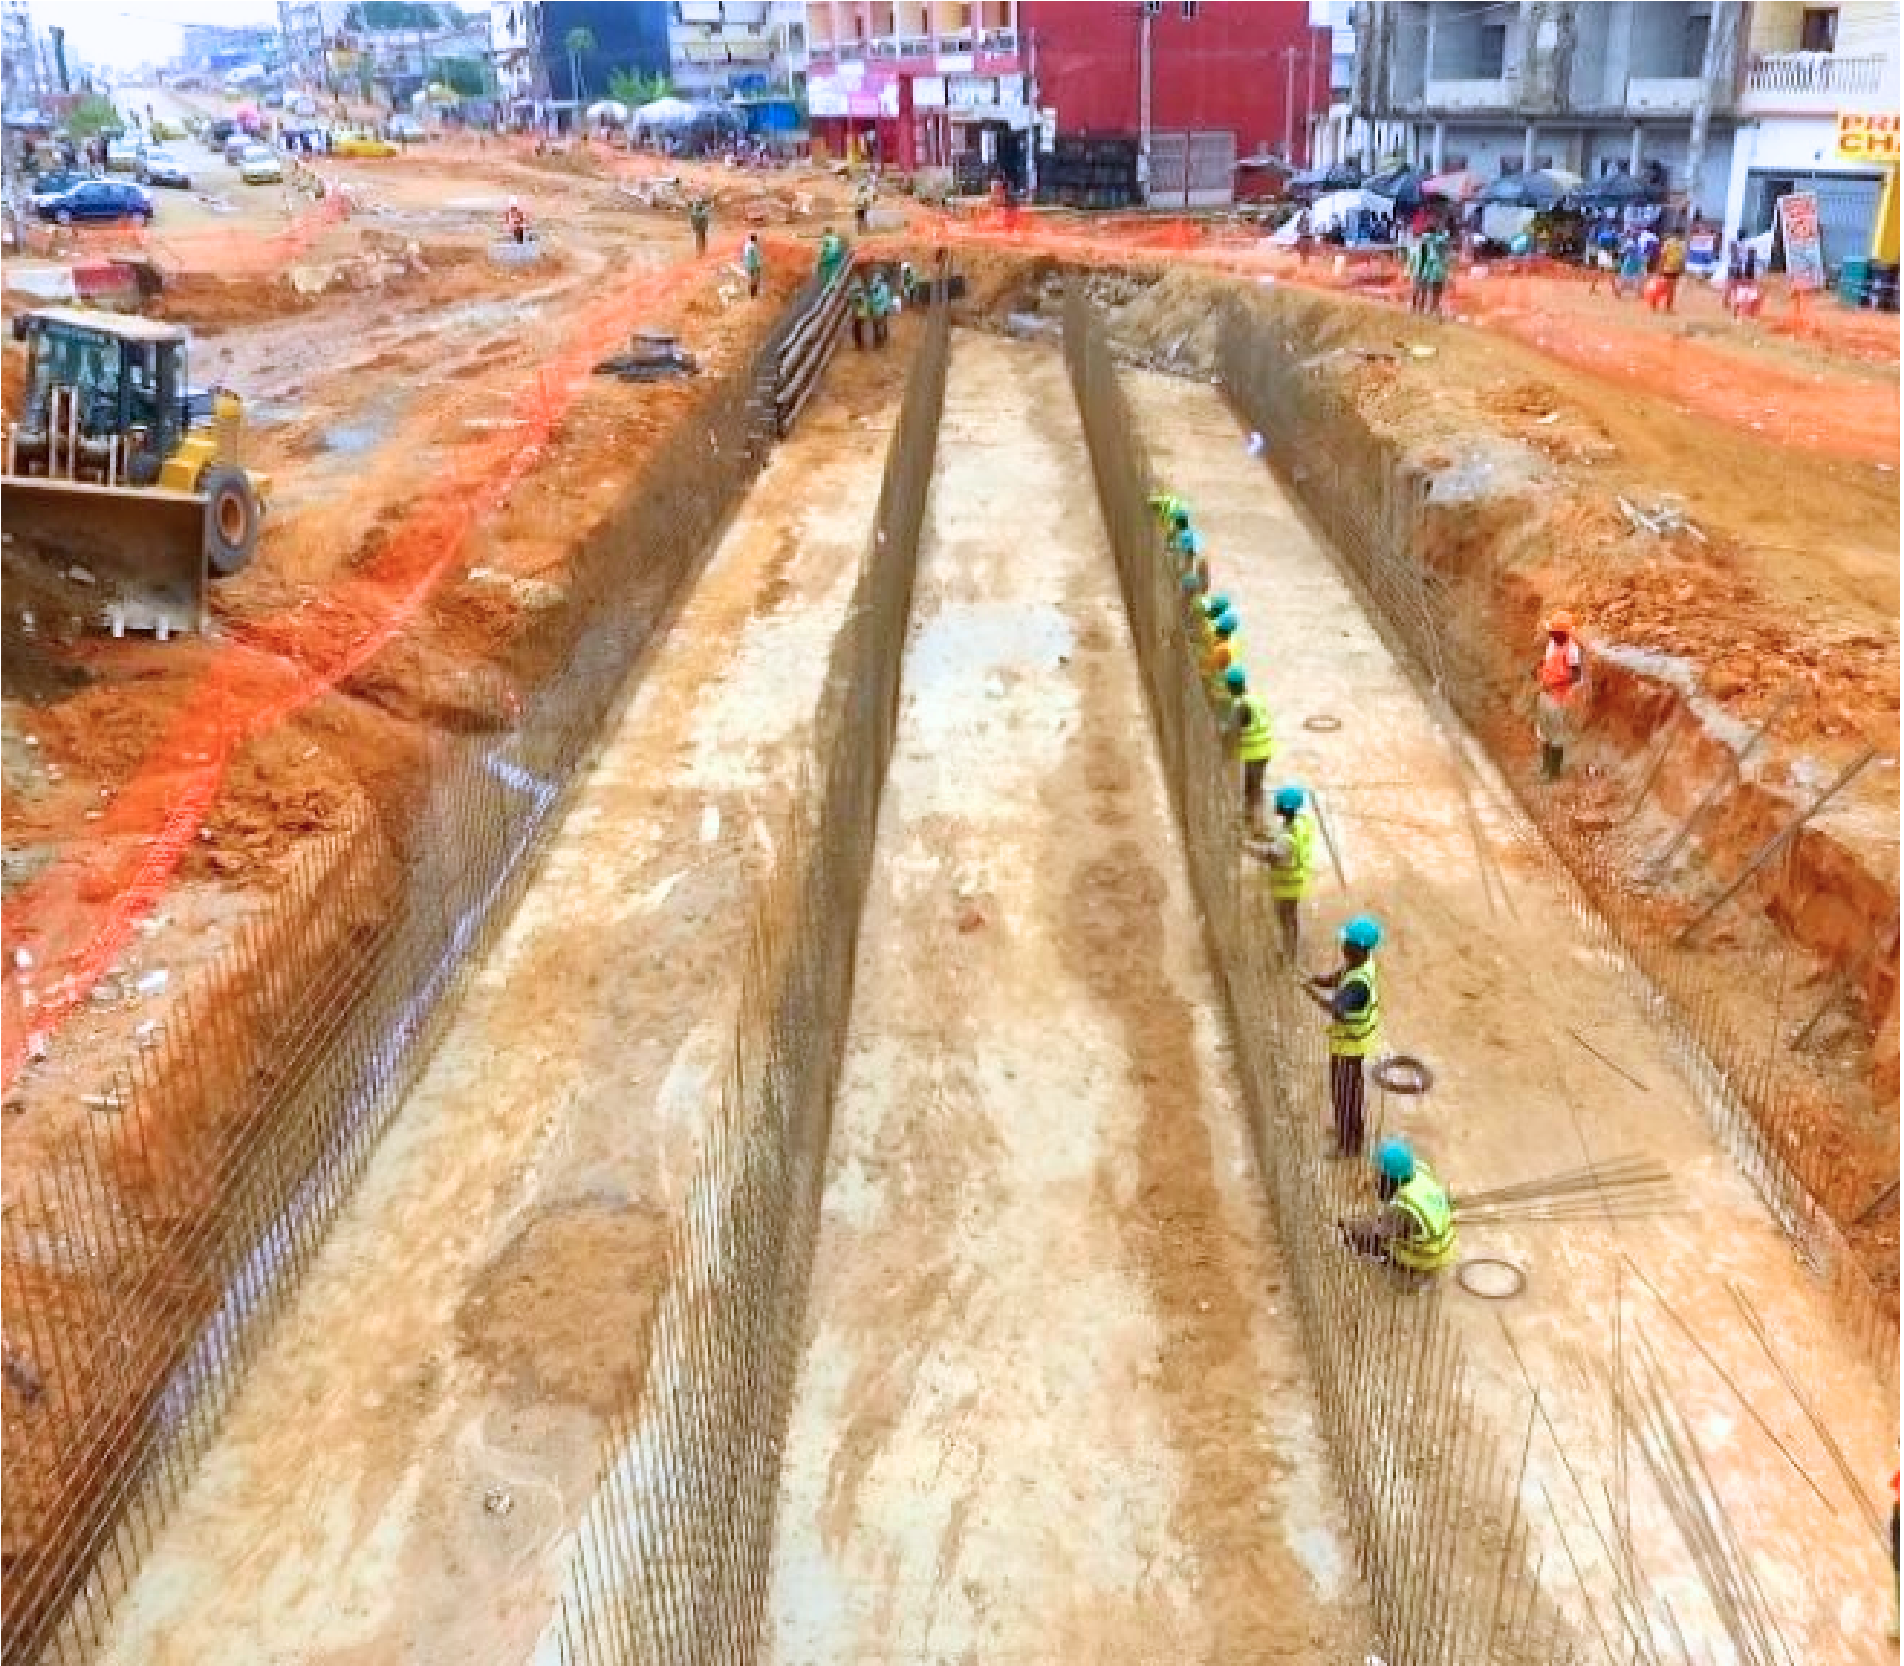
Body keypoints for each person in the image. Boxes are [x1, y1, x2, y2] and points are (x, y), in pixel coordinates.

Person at [1305, 914, 1384, 1159]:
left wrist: (1312, 994)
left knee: (1344, 1093)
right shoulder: (1360, 964)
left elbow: (1337, 1010)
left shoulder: (1358, 985)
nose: (1342, 947)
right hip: (1350, 1043)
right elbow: (1337, 977)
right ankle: (1349, 1132)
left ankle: (1348, 1145)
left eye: (1347, 944)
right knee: (1350, 1091)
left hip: (1349, 1046)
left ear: (1359, 949)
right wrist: (1318, 980)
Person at [1338, 1137, 1458, 1282]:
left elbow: (1378, 1231)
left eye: (1378, 1176)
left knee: (1356, 1239)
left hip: (1428, 1256)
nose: (1375, 1179)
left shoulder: (1405, 1209)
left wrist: (1349, 1225)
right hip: (1444, 1245)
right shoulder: (1420, 1172)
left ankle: (1409, 1272)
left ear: (1389, 1181)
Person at [1250, 784, 1316, 959]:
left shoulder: (1287, 839)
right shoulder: (1301, 823)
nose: (1274, 804)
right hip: (1298, 878)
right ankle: (1292, 949)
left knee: (1285, 918)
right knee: (1292, 916)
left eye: (1277, 803)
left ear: (1283, 809)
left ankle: (1288, 954)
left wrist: (1245, 847)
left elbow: (1270, 855)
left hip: (1287, 883)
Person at [1535, 609, 1585, 781]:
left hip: (1558, 697)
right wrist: (1541, 668)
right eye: (1551, 632)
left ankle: (1553, 772)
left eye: (1555, 632)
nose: (1552, 635)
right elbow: (1549, 662)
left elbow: (1576, 676)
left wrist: (1554, 683)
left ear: (1564, 633)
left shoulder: (1572, 650)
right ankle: (1545, 767)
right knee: (1544, 733)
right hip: (1545, 693)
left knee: (1556, 734)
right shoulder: (1552, 643)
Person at [1229, 669, 1275, 833]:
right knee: (1250, 785)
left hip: (1256, 752)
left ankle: (1258, 826)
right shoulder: (1255, 699)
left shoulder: (1241, 706)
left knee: (1255, 789)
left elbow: (1232, 732)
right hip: (1265, 748)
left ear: (1231, 688)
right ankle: (1250, 817)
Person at [1654, 227, 1687, 312]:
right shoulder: (1682, 244)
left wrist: (1659, 267)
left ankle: (1657, 302)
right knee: (1671, 289)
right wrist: (1682, 268)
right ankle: (1667, 306)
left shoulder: (1668, 242)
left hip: (1668, 268)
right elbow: (1682, 258)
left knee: (1664, 287)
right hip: (1675, 268)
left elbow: (1663, 255)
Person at [742, 232, 764, 298]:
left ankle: (751, 290)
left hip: (747, 263)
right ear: (754, 239)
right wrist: (759, 265)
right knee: (757, 277)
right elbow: (757, 257)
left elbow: (745, 254)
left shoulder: (747, 245)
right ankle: (755, 290)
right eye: (756, 238)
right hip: (753, 264)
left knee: (751, 277)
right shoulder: (754, 246)